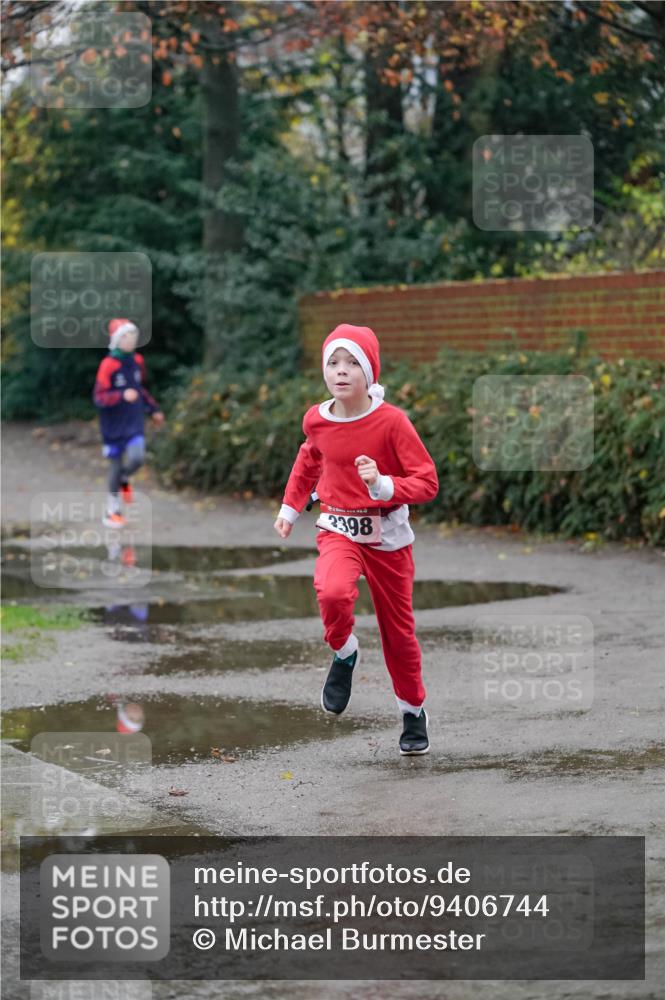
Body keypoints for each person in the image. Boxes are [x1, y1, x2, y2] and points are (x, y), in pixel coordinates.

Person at [273, 323, 439, 755]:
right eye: (333, 362)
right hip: (338, 526)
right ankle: (344, 652)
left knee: (398, 635)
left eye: (351, 363)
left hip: (388, 537)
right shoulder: (317, 418)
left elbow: (427, 482)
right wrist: (290, 508)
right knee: (331, 592)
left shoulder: (392, 422)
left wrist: (384, 486)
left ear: (369, 372)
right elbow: (308, 459)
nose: (341, 371)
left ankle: (412, 711)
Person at [93, 318, 164, 528]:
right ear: (116, 340)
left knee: (137, 457)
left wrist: (154, 409)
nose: (131, 339)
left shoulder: (137, 361)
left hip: (133, 422)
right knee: (115, 466)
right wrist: (122, 395)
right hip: (113, 426)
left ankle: (124, 478)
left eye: (133, 335)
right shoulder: (108, 365)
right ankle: (112, 510)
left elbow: (139, 389)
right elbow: (99, 397)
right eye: (126, 336)